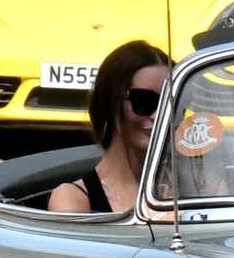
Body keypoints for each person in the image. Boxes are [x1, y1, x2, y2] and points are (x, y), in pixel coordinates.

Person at [48, 40, 171, 212]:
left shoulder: (195, 186)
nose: (158, 115)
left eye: (169, 102)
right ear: (111, 103)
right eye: (143, 101)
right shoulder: (74, 198)